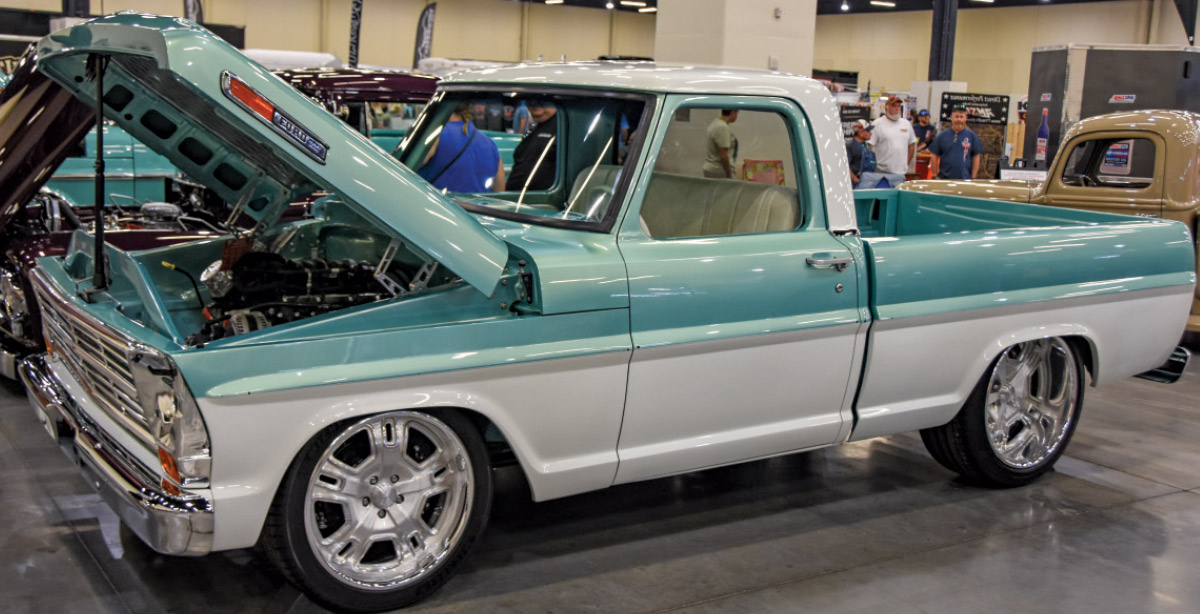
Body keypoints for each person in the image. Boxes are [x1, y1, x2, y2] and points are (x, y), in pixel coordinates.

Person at [418, 101, 505, 193]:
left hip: (437, 206)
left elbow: (409, 169)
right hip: (476, 207)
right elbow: (499, 190)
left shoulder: (435, 137)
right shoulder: (490, 145)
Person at [506, 99, 558, 191]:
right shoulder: (535, 128)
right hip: (518, 197)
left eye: (542, 103)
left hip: (539, 200)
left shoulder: (562, 128)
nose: (535, 109)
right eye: (530, 103)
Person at [869, 96, 917, 182]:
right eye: (894, 106)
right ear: (886, 108)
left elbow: (912, 144)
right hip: (882, 172)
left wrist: (906, 164)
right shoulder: (878, 124)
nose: (897, 108)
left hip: (901, 174)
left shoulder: (906, 124)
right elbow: (869, 146)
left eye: (899, 106)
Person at [928, 105, 983, 180]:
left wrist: (973, 177)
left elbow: (977, 156)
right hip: (944, 180)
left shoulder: (972, 136)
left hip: (964, 180)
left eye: (961, 117)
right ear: (951, 118)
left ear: (965, 118)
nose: (959, 120)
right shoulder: (942, 136)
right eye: (956, 117)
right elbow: (934, 155)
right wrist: (935, 175)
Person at [702, 109, 739, 178]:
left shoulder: (715, 123)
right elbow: (724, 155)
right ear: (733, 112)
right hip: (719, 171)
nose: (737, 116)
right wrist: (729, 174)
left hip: (712, 168)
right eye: (737, 113)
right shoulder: (722, 127)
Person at [846, 120, 875, 188]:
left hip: (869, 182)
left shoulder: (867, 146)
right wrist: (857, 182)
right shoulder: (851, 146)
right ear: (860, 132)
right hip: (856, 185)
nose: (870, 133)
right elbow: (846, 167)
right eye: (868, 131)